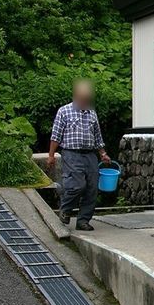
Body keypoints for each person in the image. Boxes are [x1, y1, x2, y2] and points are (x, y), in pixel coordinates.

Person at [47, 79, 110, 231]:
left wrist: (103, 153)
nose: (84, 101)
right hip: (71, 153)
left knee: (92, 188)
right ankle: (66, 209)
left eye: (86, 98)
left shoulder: (92, 113)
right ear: (75, 96)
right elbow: (56, 136)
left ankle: (83, 221)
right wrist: (51, 155)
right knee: (76, 186)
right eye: (82, 98)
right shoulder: (64, 111)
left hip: (90, 155)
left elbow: (97, 136)